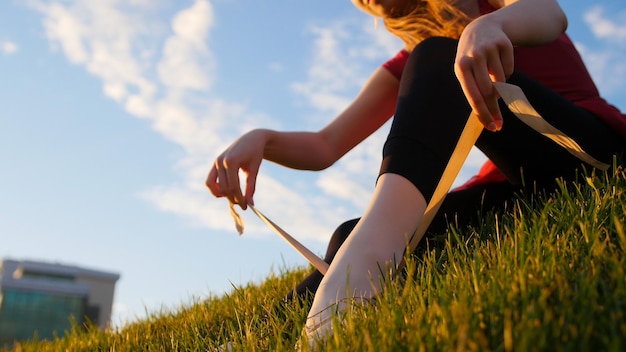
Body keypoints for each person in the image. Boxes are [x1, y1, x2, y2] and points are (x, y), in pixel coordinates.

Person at [207, 0, 626, 346]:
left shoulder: (485, 15)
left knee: (439, 59)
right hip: (513, 186)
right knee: (345, 234)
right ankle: (262, 334)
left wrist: (491, 24)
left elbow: (552, 14)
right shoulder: (419, 59)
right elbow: (325, 145)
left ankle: (366, 268)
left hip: (588, 150)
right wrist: (263, 139)